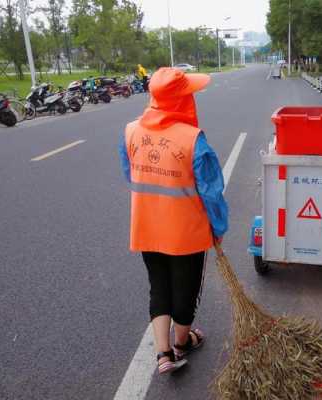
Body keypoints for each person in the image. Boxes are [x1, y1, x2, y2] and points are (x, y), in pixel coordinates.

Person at [118, 67, 228, 374]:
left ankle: (163, 355)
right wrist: (217, 229)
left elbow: (131, 174)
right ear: (181, 100)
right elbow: (211, 192)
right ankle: (182, 344)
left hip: (147, 227)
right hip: (185, 233)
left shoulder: (130, 131)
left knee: (159, 287)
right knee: (185, 289)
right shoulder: (193, 140)